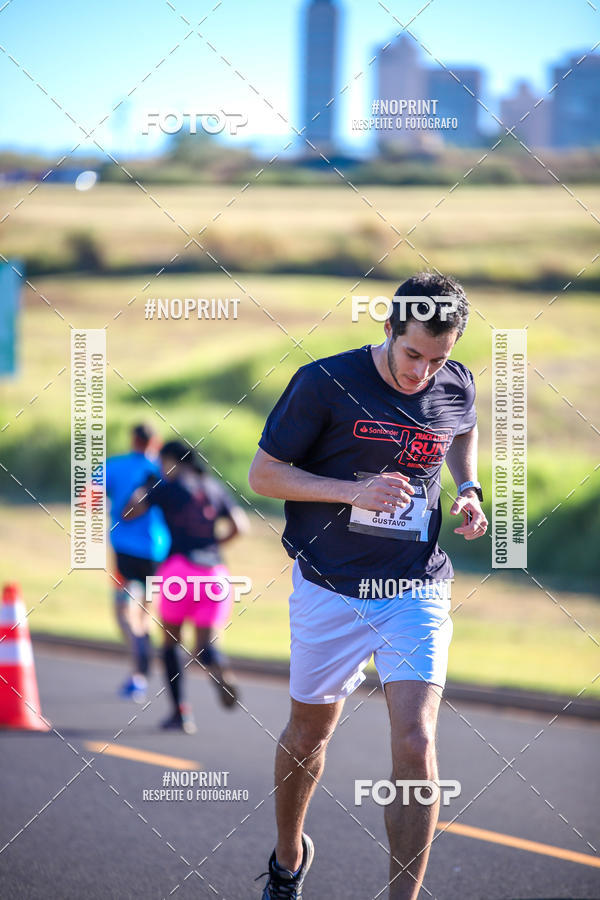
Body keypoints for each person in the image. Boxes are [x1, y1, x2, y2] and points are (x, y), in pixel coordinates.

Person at [249, 272, 488, 899]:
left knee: (416, 740)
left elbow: (460, 428)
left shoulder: (454, 380)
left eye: (437, 358)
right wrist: (352, 491)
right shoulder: (326, 383)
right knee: (309, 733)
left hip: (415, 587)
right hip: (330, 588)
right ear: (387, 329)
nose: (422, 373)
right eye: (412, 355)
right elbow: (265, 475)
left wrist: (467, 489)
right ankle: (286, 859)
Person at [125, 440, 250, 733]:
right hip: (215, 574)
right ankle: (220, 669)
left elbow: (129, 513)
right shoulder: (213, 487)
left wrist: (145, 487)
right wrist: (212, 544)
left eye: (163, 462)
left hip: (178, 572)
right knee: (206, 644)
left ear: (171, 460)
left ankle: (180, 713)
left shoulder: (164, 487)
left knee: (170, 644)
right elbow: (240, 526)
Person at [105, 424, 171, 702]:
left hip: (124, 550)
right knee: (145, 612)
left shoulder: (114, 466)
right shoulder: (166, 469)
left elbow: (87, 498)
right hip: (159, 550)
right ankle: (141, 660)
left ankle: (138, 671)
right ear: (156, 441)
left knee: (123, 611)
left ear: (133, 439)